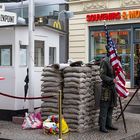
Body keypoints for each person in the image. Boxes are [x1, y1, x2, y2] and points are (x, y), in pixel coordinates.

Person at [99, 50, 118, 133]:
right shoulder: (105, 61)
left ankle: (108, 124)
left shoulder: (114, 61)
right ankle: (102, 126)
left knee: (111, 106)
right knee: (104, 107)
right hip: (106, 88)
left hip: (113, 88)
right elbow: (102, 75)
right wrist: (111, 80)